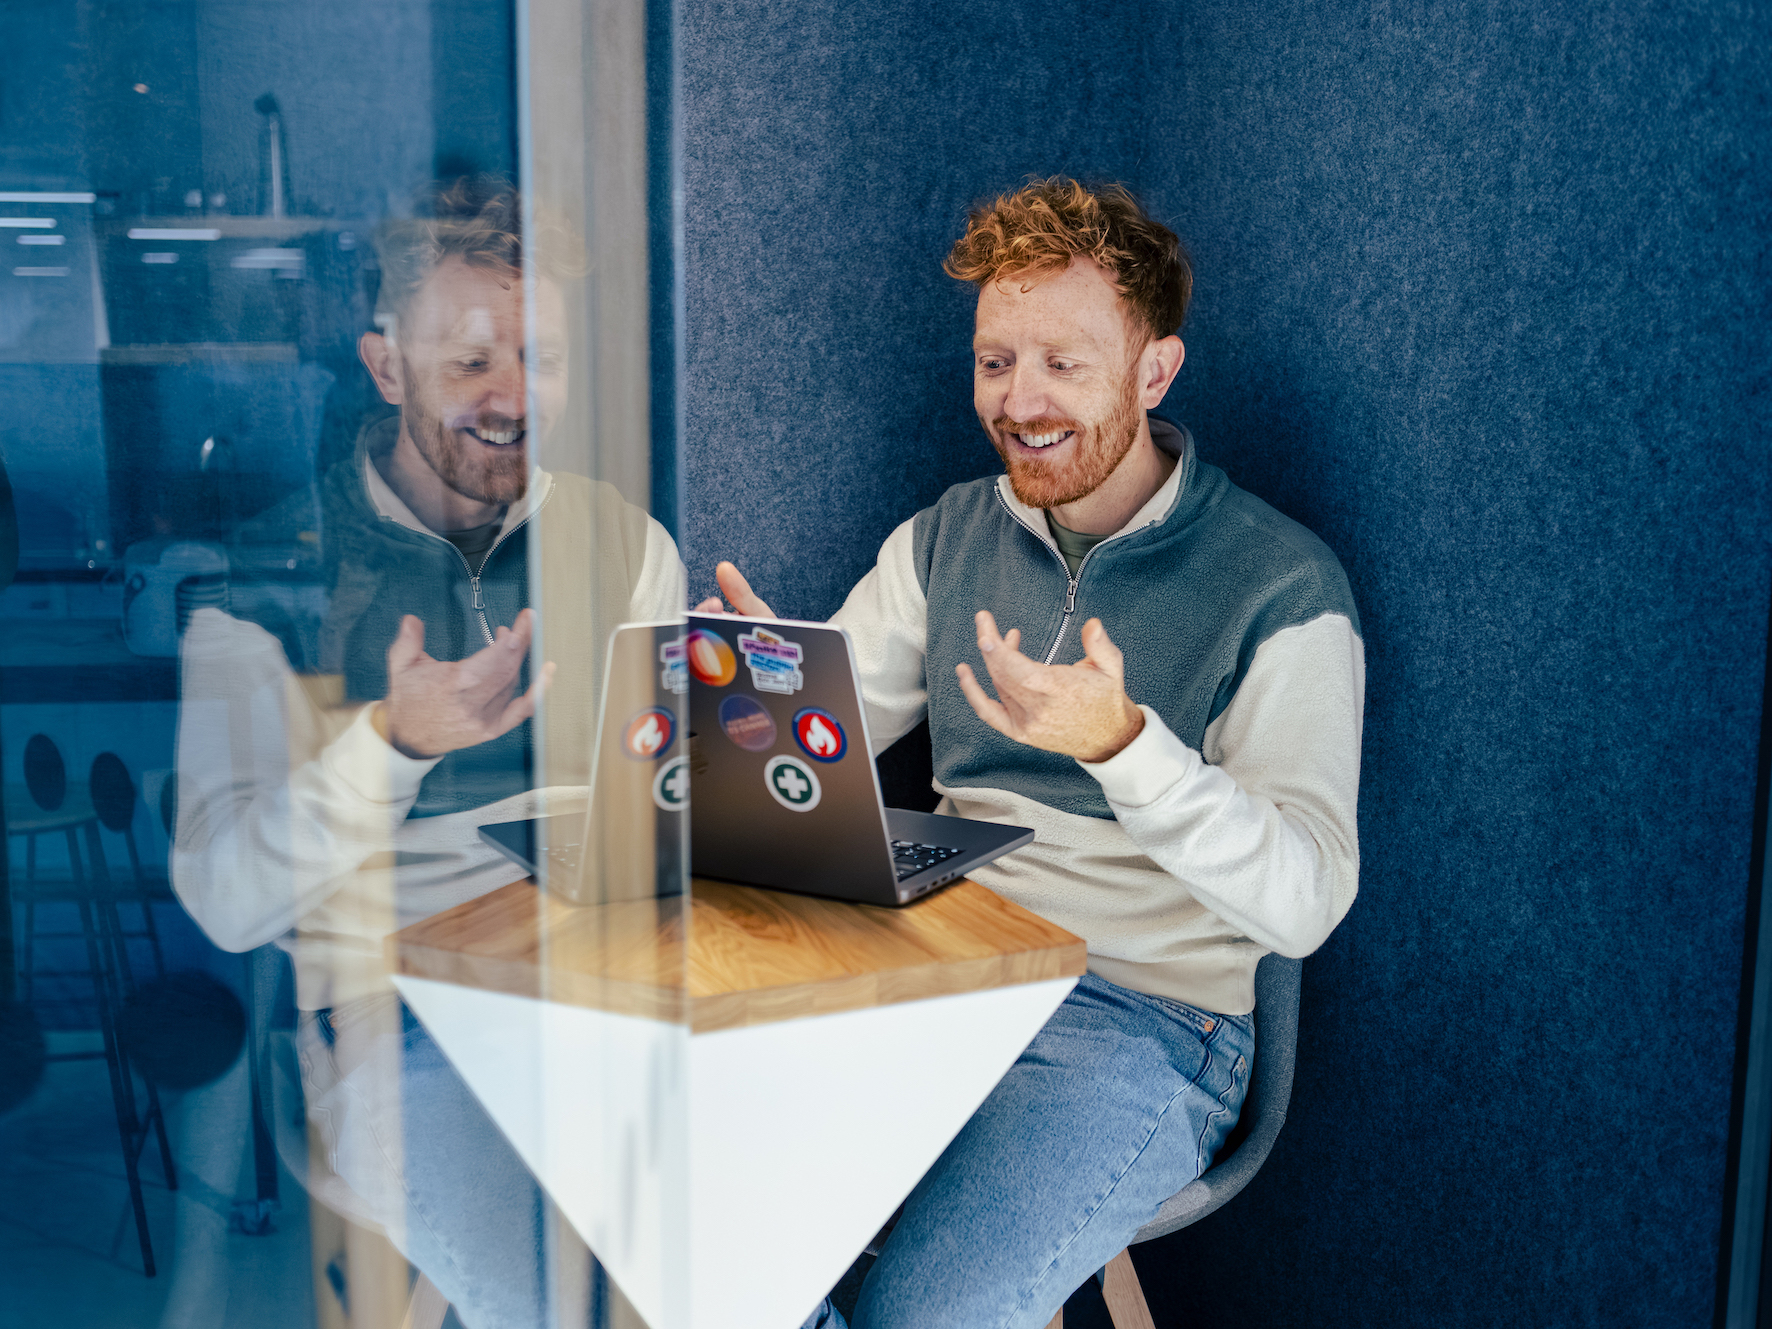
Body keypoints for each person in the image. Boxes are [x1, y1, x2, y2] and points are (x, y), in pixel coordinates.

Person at [703, 178, 1364, 1328]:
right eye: (995, 361)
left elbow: (1303, 901)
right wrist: (756, 706)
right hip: (943, 980)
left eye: (1063, 362)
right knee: (706, 1259)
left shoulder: (1282, 587)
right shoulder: (943, 537)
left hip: (1149, 1024)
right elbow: (808, 754)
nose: (1020, 401)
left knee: (921, 1316)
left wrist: (1121, 745)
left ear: (1153, 373)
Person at [172, 178, 683, 1329]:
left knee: (764, 1263)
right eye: (469, 365)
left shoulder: (627, 544)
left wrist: (744, 715)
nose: (513, 398)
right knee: (580, 1308)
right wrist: (393, 748)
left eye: (539, 361)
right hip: (394, 1024)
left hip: (607, 1003)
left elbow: (663, 825)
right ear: (386, 366)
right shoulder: (260, 592)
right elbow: (224, 901)